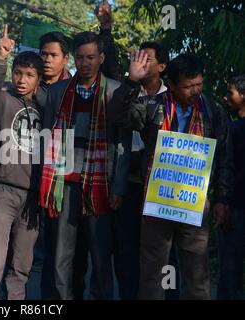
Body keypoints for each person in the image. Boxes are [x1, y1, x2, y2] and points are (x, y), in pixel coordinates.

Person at [108, 52, 234, 299]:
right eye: (188, 86)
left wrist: (221, 199)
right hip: (157, 201)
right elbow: (116, 116)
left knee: (197, 275)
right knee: (153, 275)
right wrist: (132, 82)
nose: (196, 90)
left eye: (199, 84)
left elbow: (225, 157)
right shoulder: (153, 106)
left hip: (194, 201)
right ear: (172, 85)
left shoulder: (212, 111)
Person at [39, 31, 130, 300]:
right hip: (64, 185)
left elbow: (122, 143)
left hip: (101, 186)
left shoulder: (115, 91)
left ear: (101, 58)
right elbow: (46, 137)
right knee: (61, 259)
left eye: (91, 57)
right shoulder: (57, 92)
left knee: (101, 258)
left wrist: (119, 187)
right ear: (73, 59)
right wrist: (44, 185)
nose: (85, 63)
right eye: (80, 57)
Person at [0, 26, 43, 300]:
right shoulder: (2, 98)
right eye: (18, 73)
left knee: (22, 266)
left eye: (29, 75)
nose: (22, 79)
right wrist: (1, 57)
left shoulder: (44, 107)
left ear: (39, 80)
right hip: (1, 191)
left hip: (32, 198)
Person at [113, 41, 169, 300]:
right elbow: (115, 116)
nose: (141, 63)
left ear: (162, 66)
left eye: (148, 59)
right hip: (128, 185)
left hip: (160, 192)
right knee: (126, 253)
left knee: (161, 256)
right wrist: (131, 82)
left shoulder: (172, 99)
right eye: (139, 57)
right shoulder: (128, 92)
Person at [216, 74, 245, 299]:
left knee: (230, 271)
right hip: (234, 205)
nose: (226, 97)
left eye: (231, 92)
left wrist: (223, 201)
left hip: (235, 206)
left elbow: (224, 168)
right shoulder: (232, 128)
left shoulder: (233, 130)